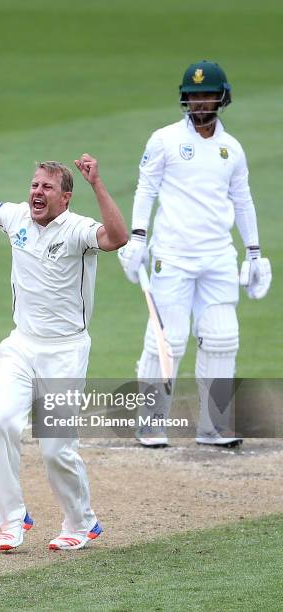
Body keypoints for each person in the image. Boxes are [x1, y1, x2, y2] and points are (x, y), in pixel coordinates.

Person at [0, 131, 127, 551]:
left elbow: (117, 238)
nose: (37, 192)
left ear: (65, 197)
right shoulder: (15, 219)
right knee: (0, 423)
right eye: (34, 185)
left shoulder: (79, 229)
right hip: (21, 344)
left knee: (55, 449)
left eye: (47, 186)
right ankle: (12, 521)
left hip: (65, 350)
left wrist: (97, 184)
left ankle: (81, 522)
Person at [118, 60, 271, 449]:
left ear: (222, 97)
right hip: (172, 254)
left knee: (223, 338)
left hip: (218, 256)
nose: (200, 101)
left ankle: (213, 425)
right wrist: (137, 238)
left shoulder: (231, 149)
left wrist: (254, 253)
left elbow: (243, 200)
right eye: (193, 95)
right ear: (185, 99)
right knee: (169, 340)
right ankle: (150, 422)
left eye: (206, 94)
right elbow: (145, 191)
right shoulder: (164, 140)